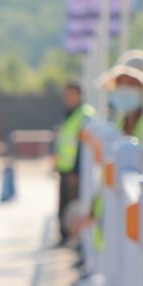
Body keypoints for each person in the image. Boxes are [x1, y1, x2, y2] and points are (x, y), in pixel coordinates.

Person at [54, 81, 93, 246]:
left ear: (80, 95)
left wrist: (77, 171)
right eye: (66, 95)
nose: (68, 98)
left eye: (72, 94)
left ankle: (77, 240)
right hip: (65, 168)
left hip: (75, 171)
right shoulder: (69, 114)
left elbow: (83, 147)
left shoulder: (84, 115)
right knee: (64, 206)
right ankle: (65, 237)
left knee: (75, 207)